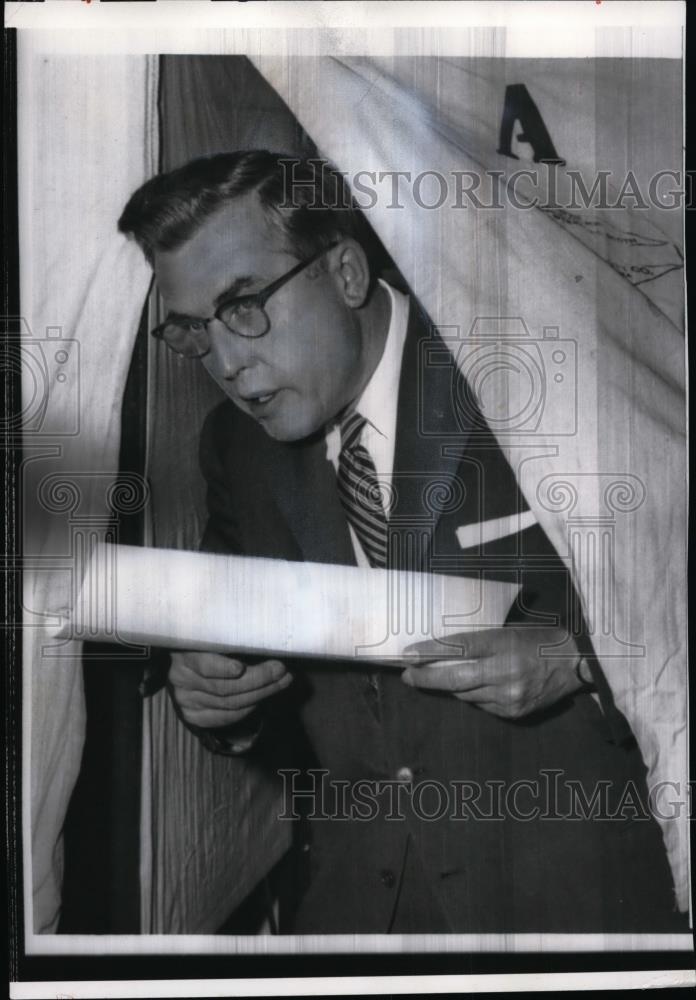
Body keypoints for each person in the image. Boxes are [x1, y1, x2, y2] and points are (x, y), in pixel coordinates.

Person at [118, 150, 680, 934]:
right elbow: (264, 683)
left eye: (244, 305)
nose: (227, 363)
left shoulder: (536, 372)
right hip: (358, 920)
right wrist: (219, 699)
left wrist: (580, 661)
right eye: (192, 331)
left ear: (346, 273)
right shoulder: (235, 449)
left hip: (577, 907)